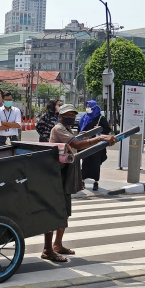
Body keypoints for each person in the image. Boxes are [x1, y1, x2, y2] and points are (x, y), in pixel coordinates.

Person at [41, 104, 117, 262]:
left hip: (64, 173)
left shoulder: (67, 129)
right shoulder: (58, 128)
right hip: (56, 174)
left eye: (73, 115)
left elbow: (77, 140)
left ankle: (57, 245)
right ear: (60, 116)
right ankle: (47, 249)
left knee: (64, 211)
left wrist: (84, 136)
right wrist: (102, 137)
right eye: (67, 114)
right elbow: (77, 145)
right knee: (53, 212)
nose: (71, 117)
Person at [78, 100, 111, 191]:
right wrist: (80, 135)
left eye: (89, 106)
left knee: (96, 164)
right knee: (85, 162)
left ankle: (96, 182)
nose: (88, 108)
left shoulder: (100, 118)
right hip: (86, 144)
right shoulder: (84, 117)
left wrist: (99, 129)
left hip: (97, 144)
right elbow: (79, 129)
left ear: (94, 107)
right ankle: (82, 181)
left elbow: (107, 129)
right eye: (87, 106)